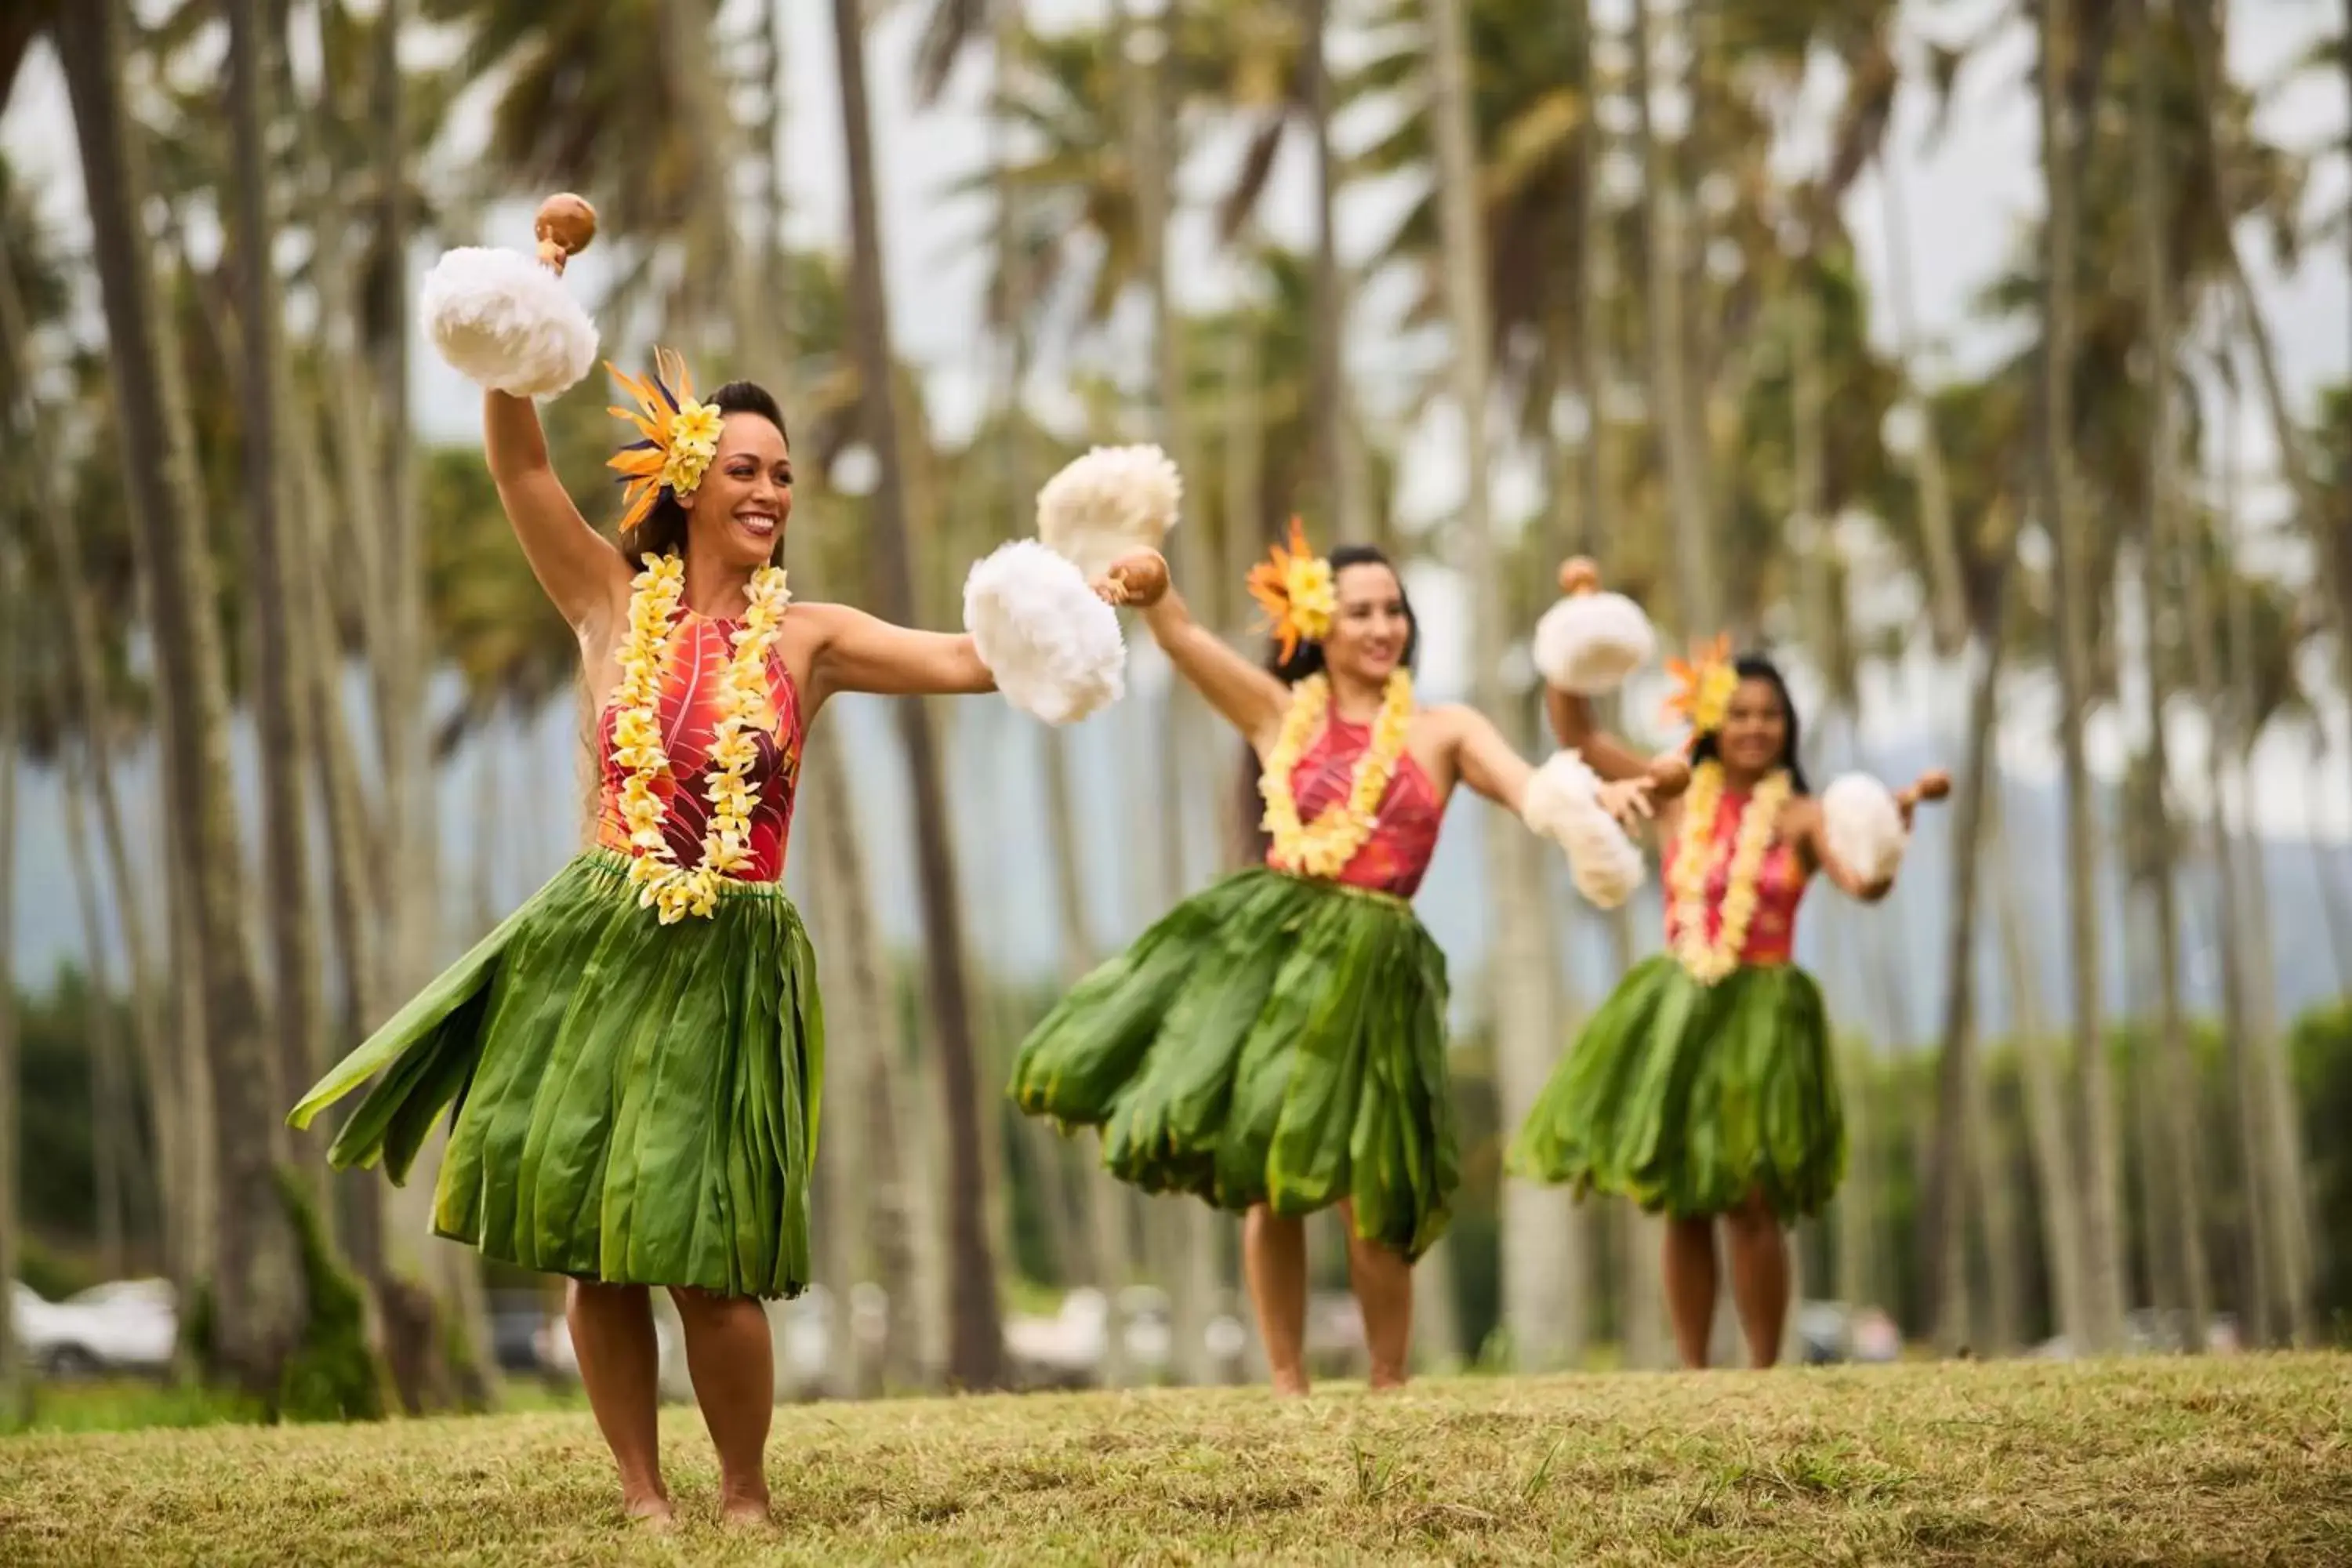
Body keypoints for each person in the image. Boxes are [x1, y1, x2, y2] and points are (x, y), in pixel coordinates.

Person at [289, 348, 1037, 1530]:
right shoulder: (606, 602)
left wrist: (1093, 599)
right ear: (688, 482)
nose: (770, 493)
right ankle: (644, 1494)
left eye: (785, 476)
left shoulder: (811, 639)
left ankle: (744, 1492)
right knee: (595, 1246)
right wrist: (522, 310)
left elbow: (970, 660)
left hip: (730, 961)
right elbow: (521, 462)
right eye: (745, 468)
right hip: (598, 948)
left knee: (710, 1254)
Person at [1011, 523, 1649, 1396]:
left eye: (1395, 609)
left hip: (1382, 965)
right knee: (1274, 1177)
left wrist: (1591, 797)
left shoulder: (1444, 727)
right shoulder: (1279, 713)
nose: (1383, 626)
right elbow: (1186, 636)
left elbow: (1531, 786)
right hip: (1279, 954)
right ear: (1320, 623)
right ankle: (1287, 1381)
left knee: (1371, 1182)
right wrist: (1155, 586)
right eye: (1361, 611)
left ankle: (1389, 1381)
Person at [1509, 579, 1942, 1370]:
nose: (1752, 727)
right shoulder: (1677, 795)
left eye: (1768, 715)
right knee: (1684, 1195)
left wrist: (1889, 837)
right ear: (1711, 720)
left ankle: (1765, 1366)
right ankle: (1695, 1369)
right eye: (1738, 713)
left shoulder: (1804, 815)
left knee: (1750, 1195)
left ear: (1789, 728)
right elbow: (1575, 729)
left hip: (1767, 1011)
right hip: (1683, 1006)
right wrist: (1574, 633)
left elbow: (1865, 885)